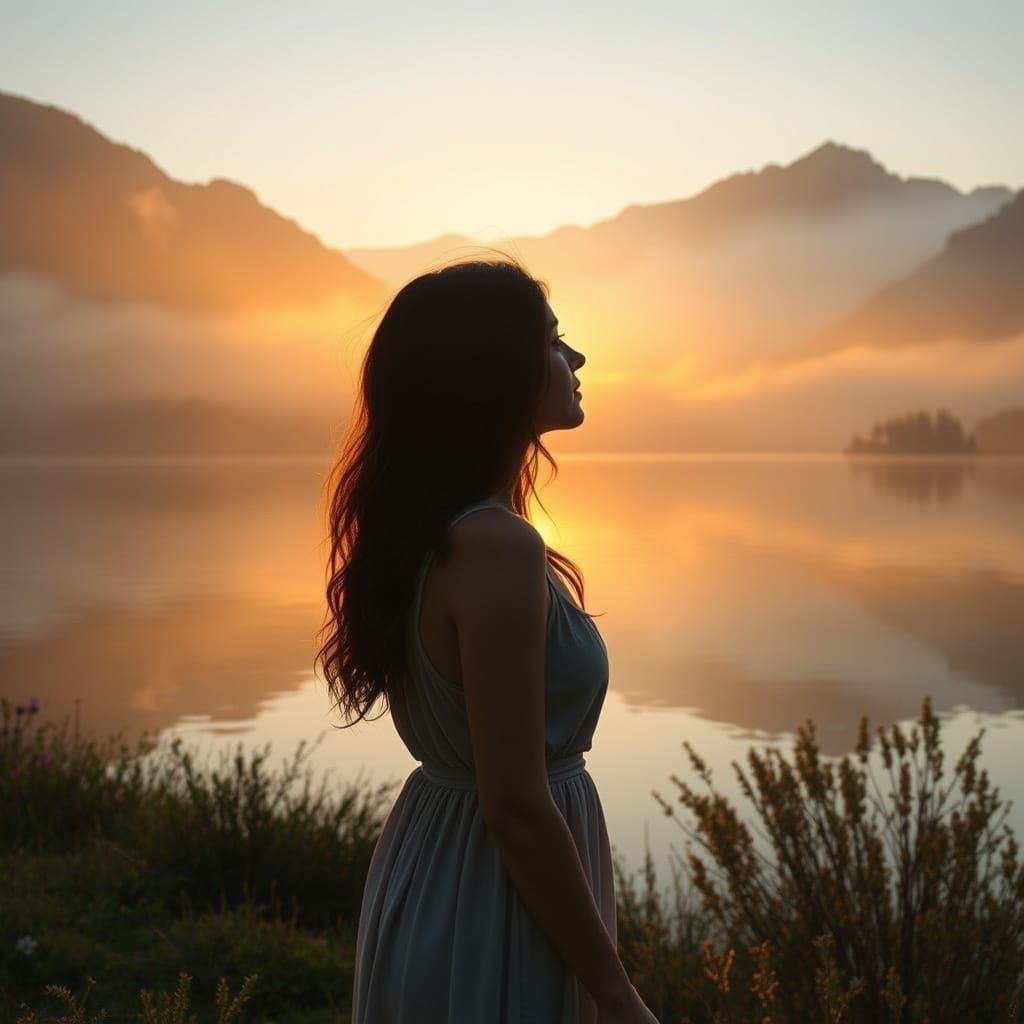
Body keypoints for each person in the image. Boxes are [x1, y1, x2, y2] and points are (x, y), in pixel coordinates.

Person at [316, 257, 660, 1023]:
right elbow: (515, 805)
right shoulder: (495, 548)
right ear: (493, 373)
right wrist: (616, 990)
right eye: (553, 340)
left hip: (439, 864)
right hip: (494, 892)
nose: (575, 360)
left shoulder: (429, 533)